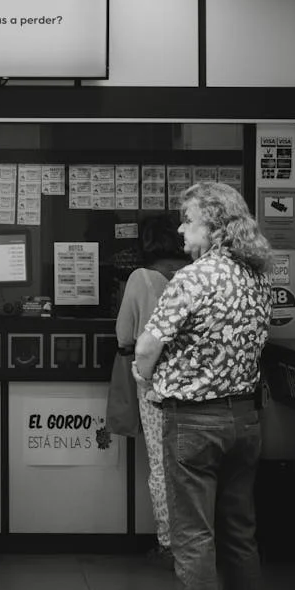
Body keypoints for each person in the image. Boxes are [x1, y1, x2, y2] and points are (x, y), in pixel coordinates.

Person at [133, 181, 273, 590]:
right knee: (240, 536)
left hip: (193, 424)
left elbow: (147, 346)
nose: (179, 228)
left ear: (213, 227)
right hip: (245, 421)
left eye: (187, 220)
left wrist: (144, 377)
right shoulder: (256, 277)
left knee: (194, 538)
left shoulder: (193, 278)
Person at [113, 215, 187, 565]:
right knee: (194, 466)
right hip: (199, 386)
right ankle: (201, 542)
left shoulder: (141, 278)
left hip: (155, 383)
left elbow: (125, 335)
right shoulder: (197, 274)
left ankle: (169, 543)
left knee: (161, 464)